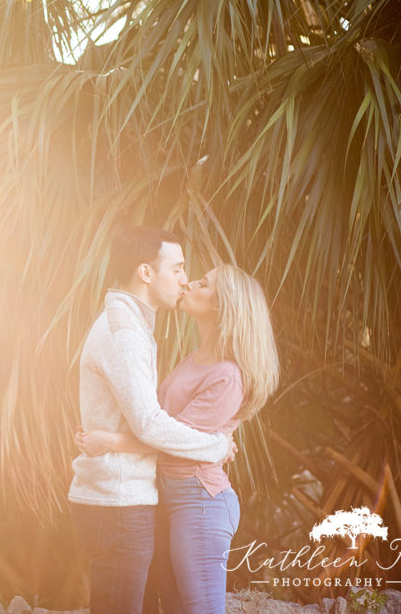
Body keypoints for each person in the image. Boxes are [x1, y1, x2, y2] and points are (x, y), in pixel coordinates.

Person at [77, 264, 279, 614]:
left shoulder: (228, 376)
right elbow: (162, 425)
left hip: (200, 502)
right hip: (174, 499)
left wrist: (109, 442)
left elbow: (169, 438)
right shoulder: (197, 359)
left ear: (221, 306)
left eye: (204, 283)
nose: (189, 283)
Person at [67, 226, 234, 614]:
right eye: (176, 269)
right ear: (146, 273)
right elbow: (149, 424)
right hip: (118, 502)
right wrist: (217, 445)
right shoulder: (125, 332)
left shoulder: (133, 324)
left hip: (122, 499)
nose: (184, 279)